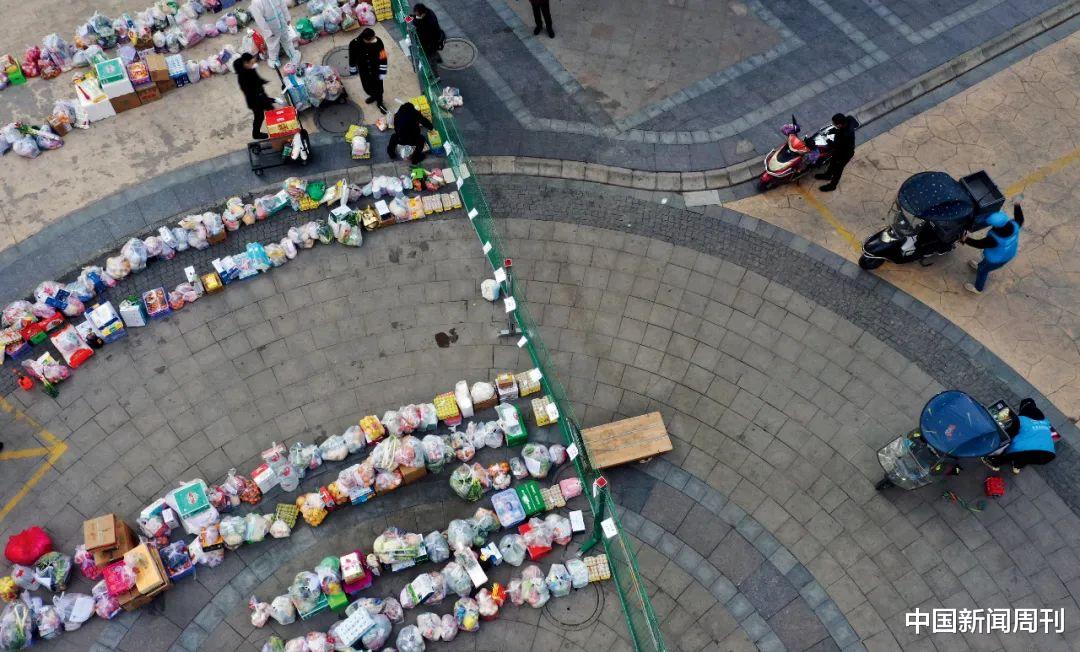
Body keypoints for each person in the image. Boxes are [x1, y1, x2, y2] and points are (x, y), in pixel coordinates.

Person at [961, 203, 1023, 294]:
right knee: (984, 264)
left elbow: (979, 244)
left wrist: (965, 239)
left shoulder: (994, 239)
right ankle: (979, 266)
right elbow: (1020, 217)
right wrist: (1017, 206)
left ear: (997, 226)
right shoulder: (1014, 225)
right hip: (1009, 253)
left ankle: (978, 288)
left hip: (995, 260)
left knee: (983, 270)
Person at [985, 398, 1055, 474]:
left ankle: (993, 463)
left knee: (1010, 455)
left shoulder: (1020, 419)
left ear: (1022, 408)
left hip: (1024, 449)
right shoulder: (1045, 421)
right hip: (1048, 454)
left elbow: (1009, 434)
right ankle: (1017, 467)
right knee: (1027, 458)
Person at [234, 53, 277, 140]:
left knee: (271, 110)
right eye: (251, 63)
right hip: (255, 101)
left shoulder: (249, 68)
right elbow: (254, 93)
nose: (253, 64)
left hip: (260, 95)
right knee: (259, 117)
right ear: (246, 63)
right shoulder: (244, 78)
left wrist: (263, 81)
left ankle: (277, 129)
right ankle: (256, 134)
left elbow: (257, 78)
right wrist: (270, 99)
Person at [348, 28, 389, 114]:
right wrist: (353, 70)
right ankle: (373, 96)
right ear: (365, 38)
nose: (374, 39)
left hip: (376, 69)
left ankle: (380, 103)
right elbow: (352, 58)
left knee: (379, 88)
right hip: (364, 71)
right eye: (372, 39)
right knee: (367, 87)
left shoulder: (378, 42)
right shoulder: (354, 44)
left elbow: (383, 56)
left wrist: (382, 71)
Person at [250, 0, 300, 68]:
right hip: (270, 26)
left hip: (281, 21)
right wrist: (267, 32)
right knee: (273, 45)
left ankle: (292, 54)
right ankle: (273, 59)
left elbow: (283, 5)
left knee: (286, 39)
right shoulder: (256, 2)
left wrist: (287, 17)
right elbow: (259, 20)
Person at [816, 113, 856, 192]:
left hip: (844, 154)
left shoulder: (845, 136)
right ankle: (828, 175)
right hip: (838, 151)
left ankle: (832, 185)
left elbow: (836, 146)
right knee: (832, 162)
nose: (833, 124)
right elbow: (838, 130)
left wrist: (827, 140)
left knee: (838, 170)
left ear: (840, 124)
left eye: (834, 124)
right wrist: (831, 131)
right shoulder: (847, 121)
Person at [412, 4, 445, 70]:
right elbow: (414, 17)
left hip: (431, 43)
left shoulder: (430, 22)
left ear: (423, 14)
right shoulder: (426, 12)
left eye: (418, 15)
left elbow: (423, 32)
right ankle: (438, 59)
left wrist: (416, 22)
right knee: (433, 53)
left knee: (431, 58)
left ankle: (435, 76)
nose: (416, 16)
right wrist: (409, 18)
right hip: (432, 40)